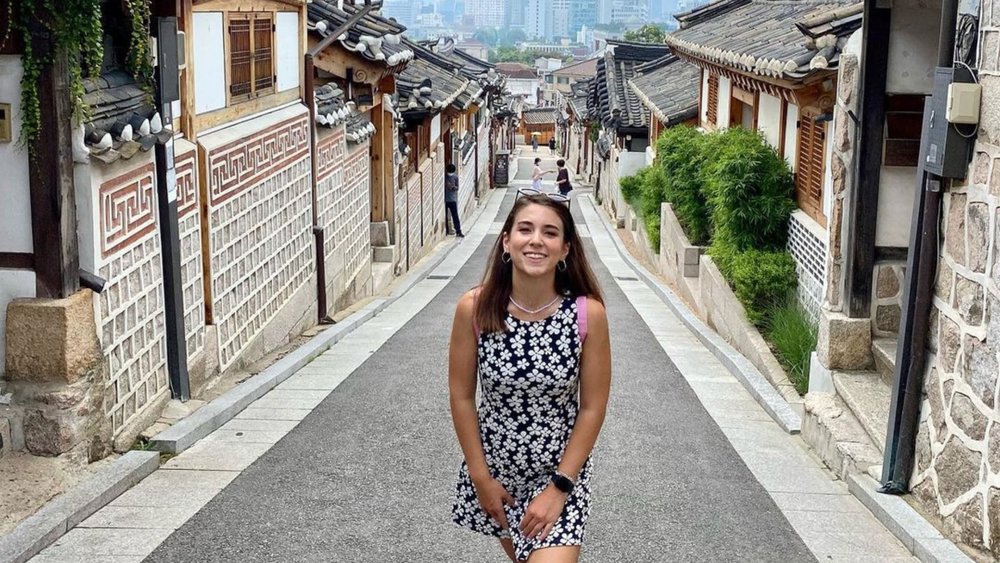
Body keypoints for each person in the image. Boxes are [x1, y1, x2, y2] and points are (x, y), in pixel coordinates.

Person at [449, 192, 612, 563]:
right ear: (507, 241)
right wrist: (481, 479)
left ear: (565, 249)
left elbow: (592, 407)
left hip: (560, 473)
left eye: (550, 233)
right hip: (496, 476)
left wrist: (559, 487)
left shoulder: (587, 315)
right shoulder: (475, 310)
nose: (536, 240)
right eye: (525, 229)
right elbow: (461, 397)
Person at [445, 163, 463, 237]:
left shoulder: (455, 177)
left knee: (455, 215)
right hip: (445, 199)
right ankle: (447, 230)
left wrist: (452, 187)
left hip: (452, 199)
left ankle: (458, 231)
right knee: (445, 216)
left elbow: (457, 187)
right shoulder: (444, 177)